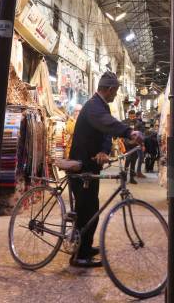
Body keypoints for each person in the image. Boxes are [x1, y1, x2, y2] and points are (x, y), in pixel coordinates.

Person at [68, 71, 143, 268]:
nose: (116, 95)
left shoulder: (101, 106)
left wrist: (103, 150)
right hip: (81, 166)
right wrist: (128, 131)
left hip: (91, 165)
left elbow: (105, 133)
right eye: (115, 91)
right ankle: (79, 256)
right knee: (86, 209)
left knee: (91, 206)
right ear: (109, 90)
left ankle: (85, 245)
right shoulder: (94, 106)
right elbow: (106, 123)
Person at [122, 110, 145, 183]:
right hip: (127, 143)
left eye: (133, 116)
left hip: (136, 144)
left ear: (135, 115)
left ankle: (132, 178)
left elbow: (142, 134)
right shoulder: (124, 122)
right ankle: (124, 176)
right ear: (128, 115)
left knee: (134, 160)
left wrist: (142, 144)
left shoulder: (139, 123)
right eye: (131, 116)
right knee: (128, 159)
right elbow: (121, 132)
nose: (132, 118)